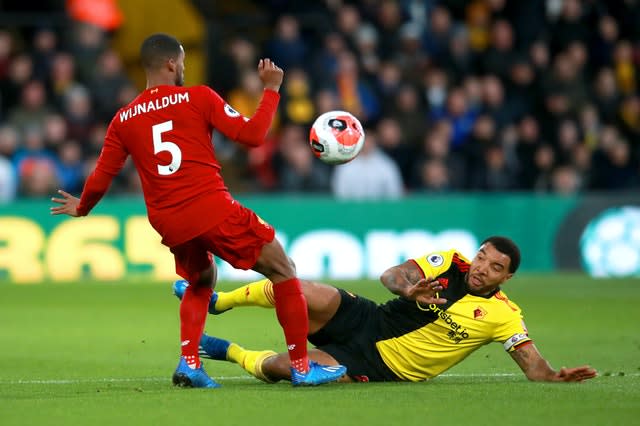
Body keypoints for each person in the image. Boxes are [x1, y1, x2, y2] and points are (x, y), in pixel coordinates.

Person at [50, 33, 345, 388]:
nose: (185, 68)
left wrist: (82, 207)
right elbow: (252, 136)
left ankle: (189, 363)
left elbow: (101, 175)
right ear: (171, 64)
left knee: (201, 280)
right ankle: (301, 366)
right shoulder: (198, 97)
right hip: (209, 206)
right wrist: (271, 91)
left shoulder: (123, 119)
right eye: (184, 62)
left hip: (169, 221)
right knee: (283, 270)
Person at [174, 236, 597, 383]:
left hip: (378, 364)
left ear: (507, 278)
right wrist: (410, 289)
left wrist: (555, 376)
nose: (483, 268)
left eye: (496, 267)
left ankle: (228, 351)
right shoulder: (450, 262)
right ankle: (221, 300)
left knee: (287, 368)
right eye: (483, 256)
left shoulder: (506, 315)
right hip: (370, 317)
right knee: (298, 289)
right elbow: (391, 275)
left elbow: (532, 366)